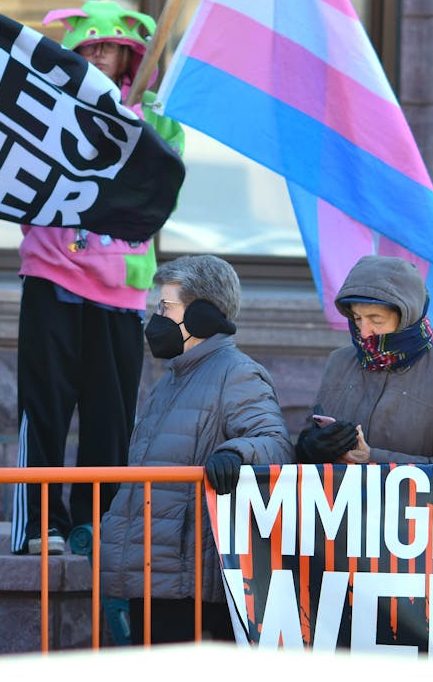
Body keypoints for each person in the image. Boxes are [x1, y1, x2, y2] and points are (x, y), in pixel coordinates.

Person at [12, 0, 185, 555]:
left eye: (107, 47)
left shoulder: (154, 112)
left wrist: (140, 128)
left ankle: (100, 522)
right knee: (45, 407)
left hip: (121, 285)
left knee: (111, 416)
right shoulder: (41, 104)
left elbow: (171, 174)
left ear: (130, 56)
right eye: (87, 47)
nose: (97, 56)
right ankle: (41, 524)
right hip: (52, 271)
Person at [99, 255, 292, 642]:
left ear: (202, 316)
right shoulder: (170, 381)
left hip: (192, 583)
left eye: (165, 306)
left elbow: (275, 444)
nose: (156, 317)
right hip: (151, 574)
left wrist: (235, 453)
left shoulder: (236, 372)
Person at [294, 255, 433, 465]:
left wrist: (372, 458)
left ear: (406, 317)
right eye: (357, 319)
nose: (364, 332)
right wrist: (312, 448)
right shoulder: (338, 362)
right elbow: (305, 447)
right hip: (336, 497)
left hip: (411, 499)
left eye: (376, 319)